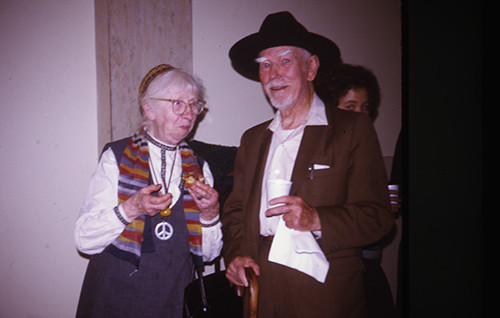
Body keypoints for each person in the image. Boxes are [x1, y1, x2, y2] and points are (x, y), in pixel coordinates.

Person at [222, 11, 394, 318]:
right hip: (261, 292)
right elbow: (235, 212)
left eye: (285, 61)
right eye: (265, 65)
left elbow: (378, 218)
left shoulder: (351, 129)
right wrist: (236, 255)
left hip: (325, 295)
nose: (274, 74)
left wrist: (316, 219)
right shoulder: (253, 138)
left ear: (311, 67)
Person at [74, 64, 223, 318]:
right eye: (178, 104)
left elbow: (209, 255)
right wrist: (132, 208)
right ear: (149, 108)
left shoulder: (199, 167)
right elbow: (84, 240)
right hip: (113, 297)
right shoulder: (117, 157)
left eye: (194, 105)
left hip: (171, 298)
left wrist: (210, 214)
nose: (189, 115)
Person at [315, 63, 396, 318]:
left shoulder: (365, 150)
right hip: (329, 268)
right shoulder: (318, 150)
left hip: (367, 265)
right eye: (350, 107)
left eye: (365, 108)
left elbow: (377, 229)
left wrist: (383, 209)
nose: (360, 115)